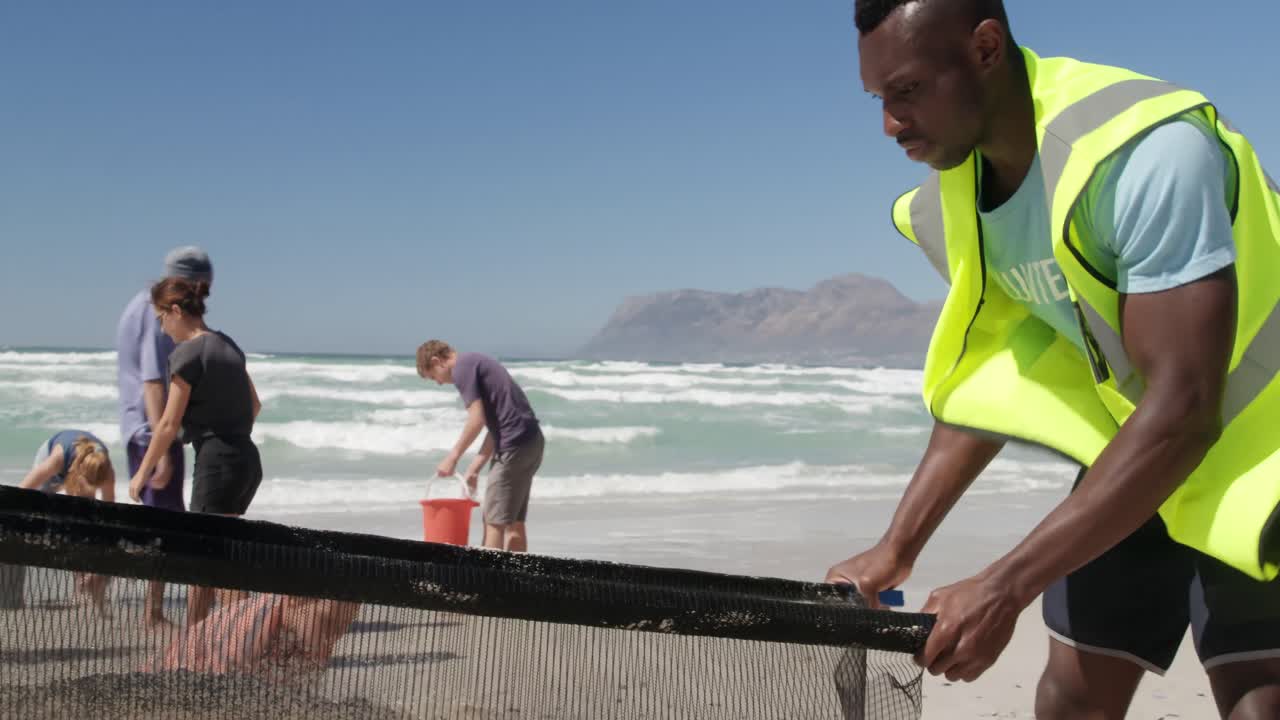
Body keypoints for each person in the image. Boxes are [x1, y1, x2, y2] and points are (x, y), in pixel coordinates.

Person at [826, 2, 1280, 718]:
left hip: (1261, 456)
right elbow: (1001, 375)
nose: (890, 123)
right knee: (1070, 697)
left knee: (1258, 700)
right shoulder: (964, 186)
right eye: (879, 99)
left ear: (984, 48)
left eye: (907, 91)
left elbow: (1187, 411)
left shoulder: (1144, 154)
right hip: (1142, 448)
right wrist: (897, 547)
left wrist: (1005, 585)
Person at [130, 276, 263, 627]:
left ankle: (234, 643)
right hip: (246, 460)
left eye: (161, 319)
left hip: (216, 462)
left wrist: (142, 474)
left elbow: (168, 425)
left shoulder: (187, 353)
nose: (162, 329)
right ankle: (197, 642)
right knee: (213, 556)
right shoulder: (228, 345)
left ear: (175, 310)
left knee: (214, 563)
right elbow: (255, 405)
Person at [116, 246, 211, 628]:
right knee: (165, 526)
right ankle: (152, 613)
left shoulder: (141, 304)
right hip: (150, 429)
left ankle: (152, 610)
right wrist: (164, 448)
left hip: (141, 426)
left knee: (161, 522)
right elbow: (154, 383)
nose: (200, 301)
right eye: (202, 290)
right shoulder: (154, 311)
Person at [416, 340, 544, 552]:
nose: (438, 383)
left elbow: (476, 419)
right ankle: (521, 580)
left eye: (433, 377)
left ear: (437, 361)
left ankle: (488, 582)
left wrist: (453, 457)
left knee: (493, 520)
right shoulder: (475, 363)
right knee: (514, 522)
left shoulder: (462, 369)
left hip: (514, 446)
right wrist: (474, 469)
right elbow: (497, 429)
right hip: (531, 442)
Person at [19, 430, 116, 615]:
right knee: (35, 506)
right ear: (79, 474)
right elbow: (23, 491)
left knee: (82, 524)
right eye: (90, 488)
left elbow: (108, 518)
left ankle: (84, 585)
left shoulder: (106, 471)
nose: (92, 492)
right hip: (53, 462)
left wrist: (100, 564)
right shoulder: (56, 460)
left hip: (83, 466)